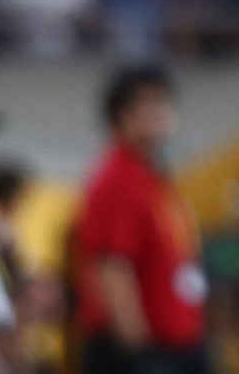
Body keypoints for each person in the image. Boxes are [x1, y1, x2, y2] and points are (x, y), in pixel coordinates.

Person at [73, 67, 209, 374]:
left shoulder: (152, 176)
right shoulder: (118, 178)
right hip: (140, 353)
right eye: (146, 104)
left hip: (178, 345)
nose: (159, 113)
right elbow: (112, 267)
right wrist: (140, 355)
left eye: (163, 103)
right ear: (119, 116)